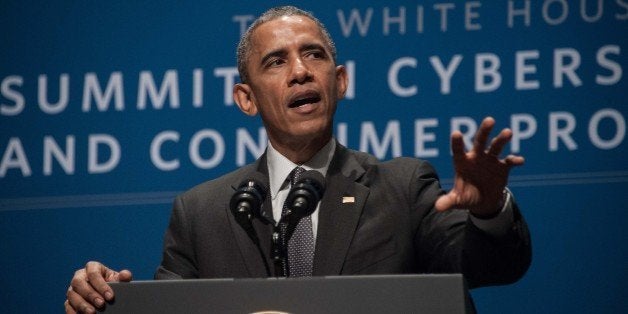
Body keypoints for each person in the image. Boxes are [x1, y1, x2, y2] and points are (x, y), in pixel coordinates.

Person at [65, 6, 531, 313]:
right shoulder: (201, 212)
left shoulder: (402, 186)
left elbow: (490, 266)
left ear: (340, 80)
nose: (301, 71)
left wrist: (489, 211)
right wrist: (106, 298)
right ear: (246, 100)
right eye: (276, 62)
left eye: (314, 55)